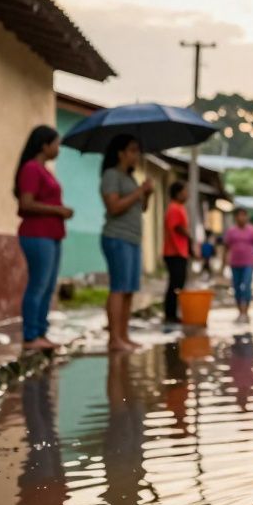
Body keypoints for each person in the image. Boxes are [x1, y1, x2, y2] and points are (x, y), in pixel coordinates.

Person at [14, 125, 73, 352]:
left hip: (51, 235)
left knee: (48, 287)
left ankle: (40, 331)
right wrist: (58, 211)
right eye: (56, 143)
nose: (58, 148)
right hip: (36, 235)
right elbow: (26, 203)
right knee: (38, 285)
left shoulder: (44, 170)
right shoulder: (30, 169)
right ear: (44, 145)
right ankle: (30, 335)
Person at [99, 134, 153, 351]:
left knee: (129, 289)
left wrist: (146, 194)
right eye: (132, 150)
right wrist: (139, 191)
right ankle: (114, 338)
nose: (136, 155)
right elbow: (113, 207)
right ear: (120, 153)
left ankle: (124, 335)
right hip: (116, 237)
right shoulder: (111, 176)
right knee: (119, 288)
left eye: (137, 150)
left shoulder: (130, 178)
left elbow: (141, 208)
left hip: (132, 238)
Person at [222, 207, 253, 323]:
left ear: (247, 217)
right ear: (235, 217)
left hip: (248, 264)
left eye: (244, 215)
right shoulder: (231, 232)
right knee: (236, 288)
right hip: (234, 264)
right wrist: (223, 264)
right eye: (239, 215)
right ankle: (240, 312)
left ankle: (246, 312)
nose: (242, 218)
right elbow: (226, 248)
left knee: (246, 287)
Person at [162, 182, 192, 326]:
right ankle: (170, 315)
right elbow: (176, 227)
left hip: (180, 252)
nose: (187, 194)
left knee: (178, 284)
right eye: (185, 191)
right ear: (178, 193)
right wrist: (189, 235)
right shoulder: (174, 208)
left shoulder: (179, 207)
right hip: (174, 252)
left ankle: (173, 314)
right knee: (175, 285)